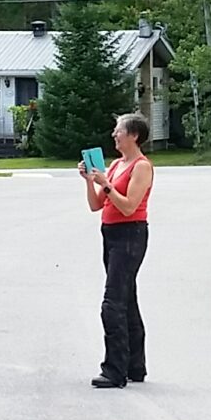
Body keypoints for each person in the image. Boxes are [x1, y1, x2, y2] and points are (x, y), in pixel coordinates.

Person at [82, 113, 154, 388]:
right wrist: (90, 181)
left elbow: (128, 206)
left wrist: (106, 184)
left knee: (112, 302)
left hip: (130, 234)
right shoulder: (115, 165)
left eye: (119, 131)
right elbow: (95, 205)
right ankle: (135, 365)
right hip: (110, 233)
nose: (114, 135)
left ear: (134, 135)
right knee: (127, 298)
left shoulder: (141, 166)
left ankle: (114, 369)